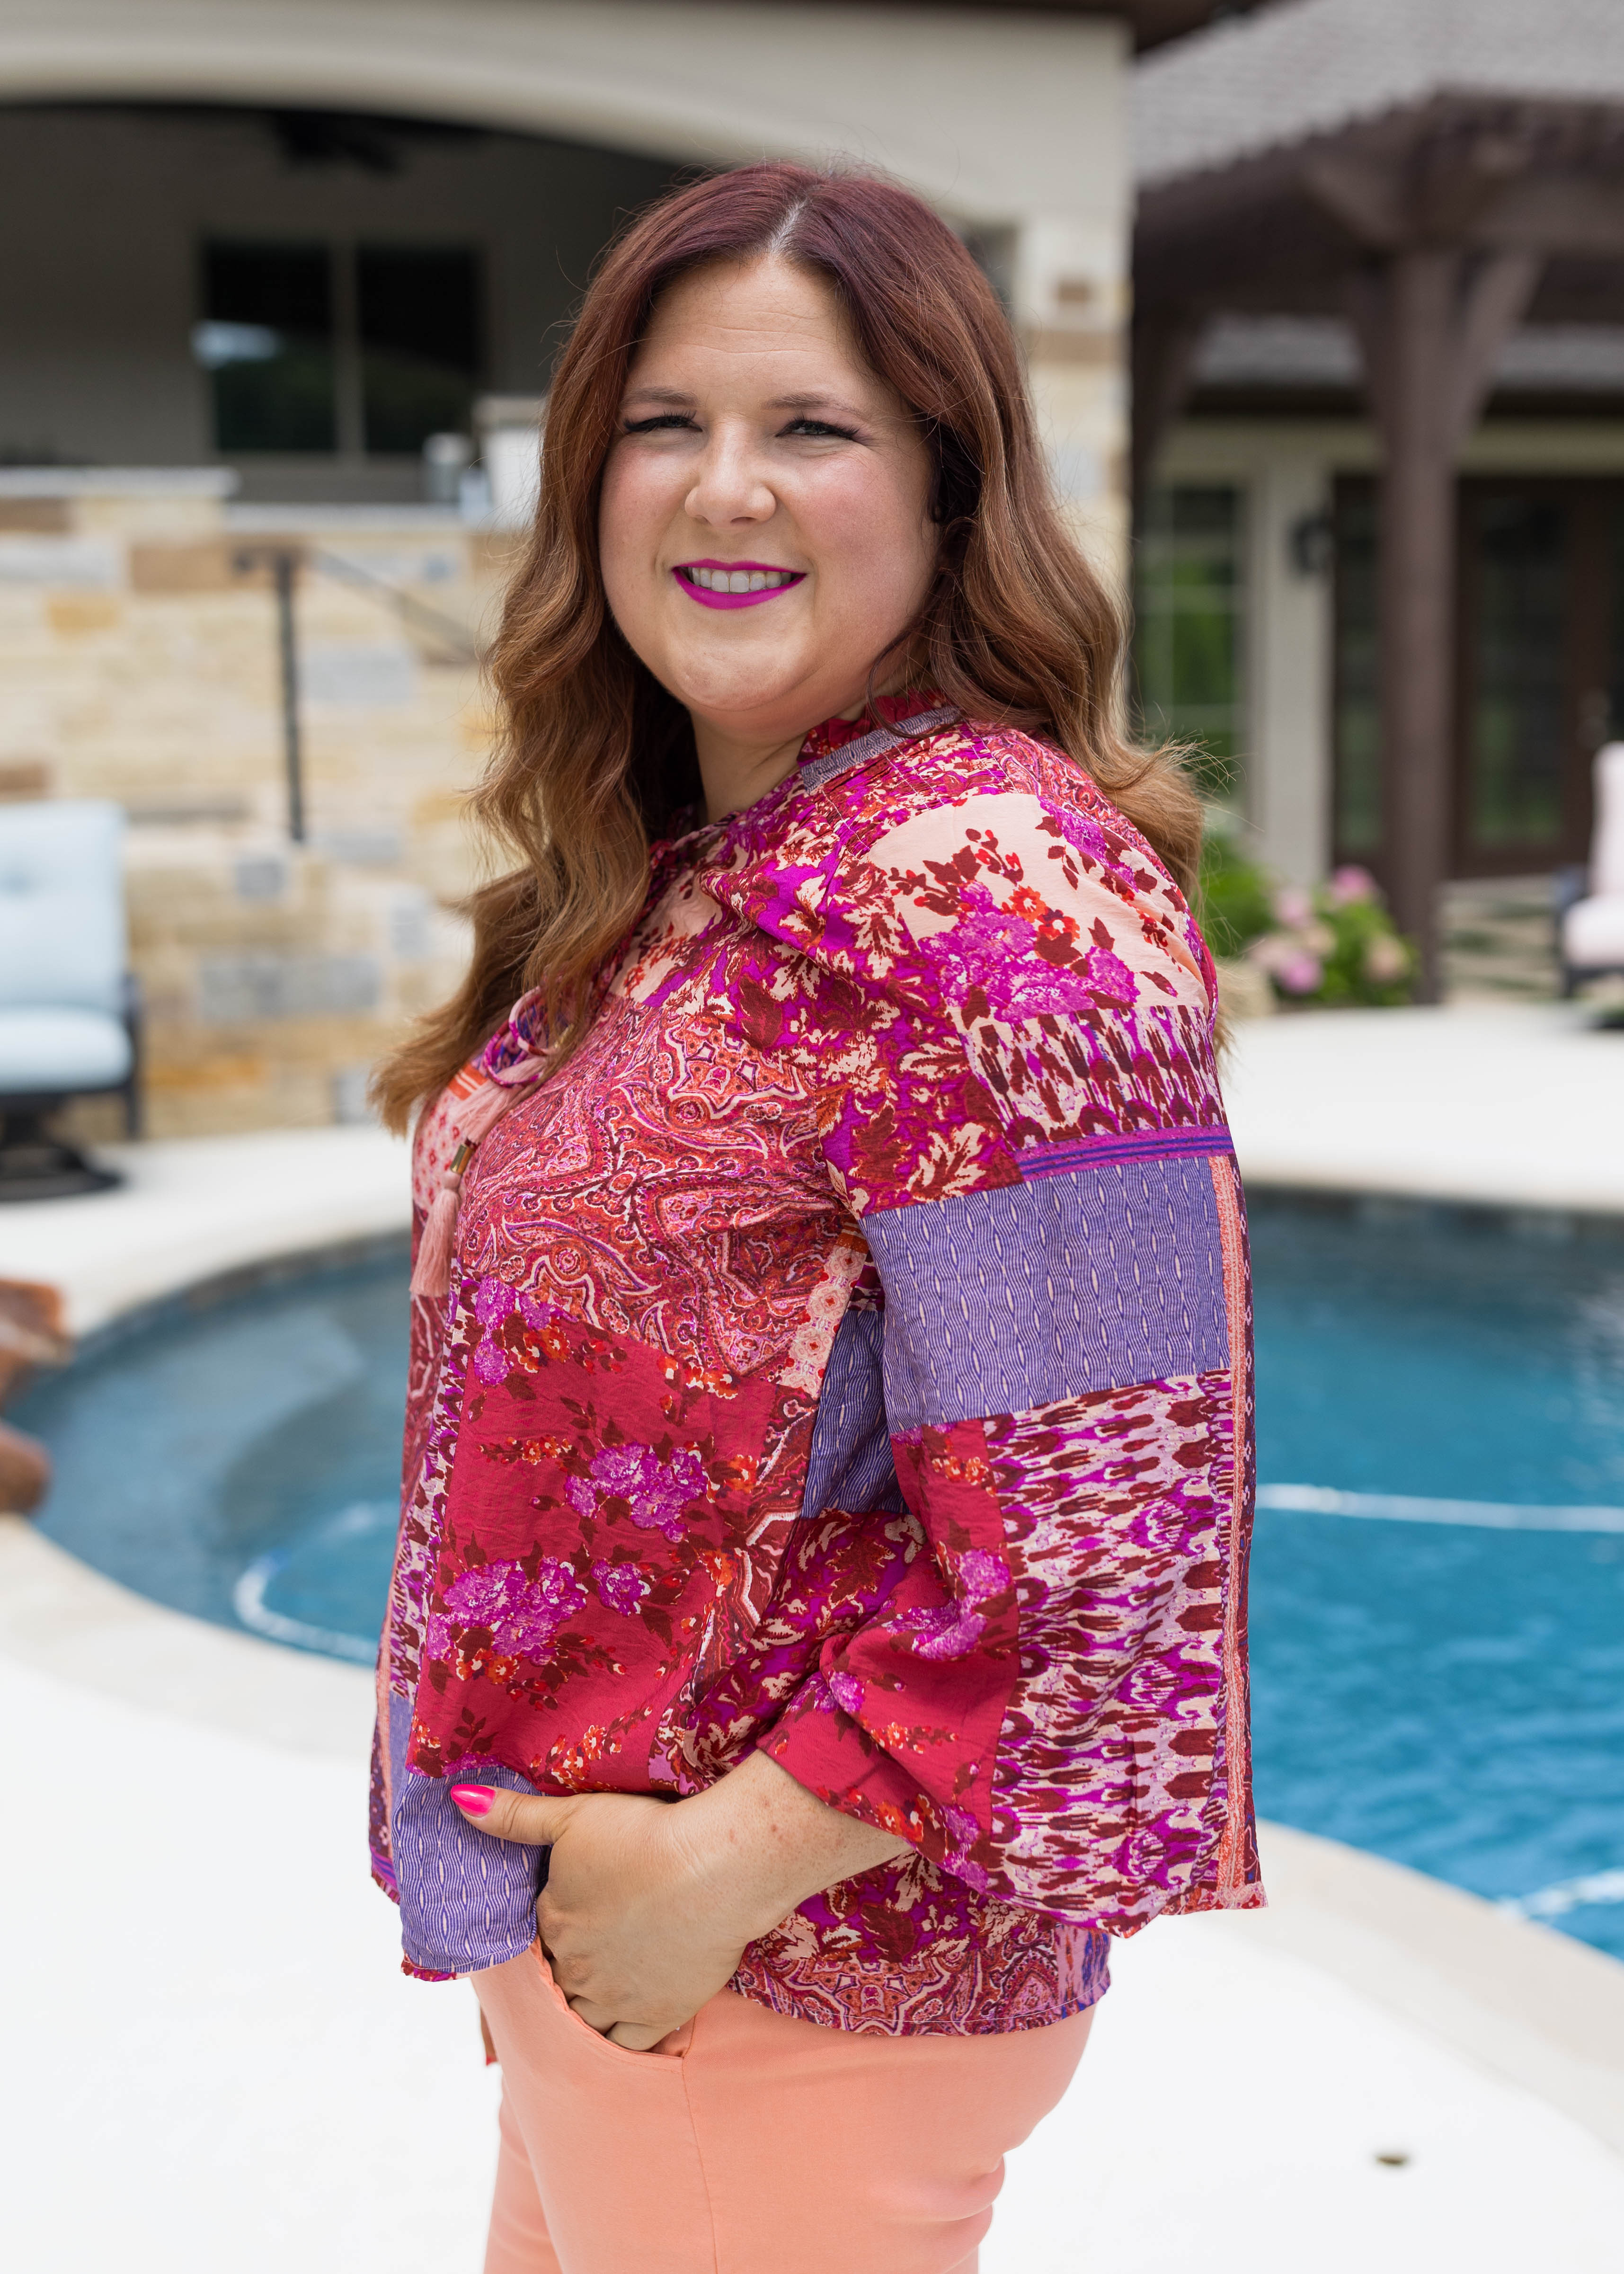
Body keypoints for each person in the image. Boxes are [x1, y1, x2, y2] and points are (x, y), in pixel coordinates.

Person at [369, 160, 1261, 2274]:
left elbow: (1125, 1521)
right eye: (665, 425)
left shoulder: (1000, 898)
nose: (725, 488)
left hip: (790, 1983)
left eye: (813, 427)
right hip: (632, 1969)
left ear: (950, 492)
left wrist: (717, 1872)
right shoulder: (693, 869)